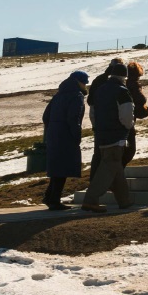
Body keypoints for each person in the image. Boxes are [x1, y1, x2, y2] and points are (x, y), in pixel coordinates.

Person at [82, 61, 134, 212]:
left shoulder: (100, 90)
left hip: (101, 135)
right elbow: (126, 115)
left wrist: (98, 128)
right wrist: (128, 127)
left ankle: (124, 200)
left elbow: (93, 113)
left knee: (115, 167)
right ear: (124, 77)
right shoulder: (122, 91)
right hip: (116, 135)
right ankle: (90, 200)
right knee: (108, 168)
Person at [42, 70, 88, 210]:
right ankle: (54, 201)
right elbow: (73, 119)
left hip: (53, 135)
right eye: (84, 83)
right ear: (78, 82)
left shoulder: (58, 95)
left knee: (57, 168)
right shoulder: (76, 96)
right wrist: (76, 136)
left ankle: (49, 197)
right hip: (66, 135)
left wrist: (51, 129)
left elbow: (45, 117)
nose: (85, 85)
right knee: (63, 168)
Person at [123, 61, 148, 166]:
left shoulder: (126, 83)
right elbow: (140, 99)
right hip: (129, 118)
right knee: (131, 148)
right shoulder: (134, 84)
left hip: (124, 117)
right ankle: (119, 169)